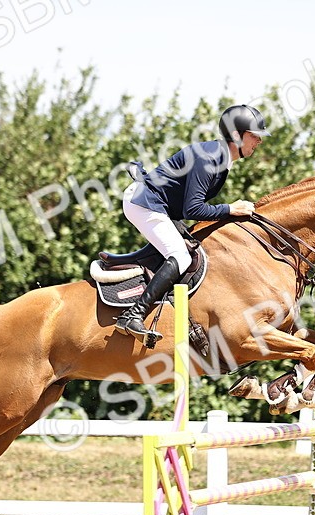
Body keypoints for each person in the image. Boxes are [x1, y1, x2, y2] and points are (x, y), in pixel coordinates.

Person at [114, 103, 270, 342]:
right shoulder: (210, 158)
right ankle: (134, 314)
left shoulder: (220, 159)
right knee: (181, 256)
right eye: (254, 136)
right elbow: (194, 209)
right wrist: (231, 209)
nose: (259, 142)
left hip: (160, 207)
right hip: (143, 203)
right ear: (237, 135)